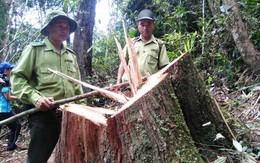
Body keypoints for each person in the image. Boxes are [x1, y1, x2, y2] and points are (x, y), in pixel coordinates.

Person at [10, 10, 84, 162]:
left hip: (71, 114)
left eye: (67, 27)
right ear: (49, 27)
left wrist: (83, 109)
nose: (65, 30)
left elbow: (77, 85)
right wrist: (36, 98)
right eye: (60, 26)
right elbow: (17, 78)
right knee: (37, 158)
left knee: (73, 155)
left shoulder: (71, 55)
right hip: (43, 114)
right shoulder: (35, 50)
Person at [117, 9, 170, 85]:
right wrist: (118, 82)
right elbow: (123, 63)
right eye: (142, 24)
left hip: (149, 87)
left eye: (148, 24)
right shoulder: (131, 43)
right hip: (128, 86)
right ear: (137, 25)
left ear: (153, 25)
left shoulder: (159, 45)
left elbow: (163, 68)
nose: (145, 28)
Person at [0, 62, 21, 151]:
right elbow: (7, 97)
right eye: (10, 69)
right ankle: (11, 145)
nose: (11, 71)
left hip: (4, 109)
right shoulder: (4, 81)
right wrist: (20, 98)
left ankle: (11, 144)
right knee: (16, 125)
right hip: (4, 110)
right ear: (6, 70)